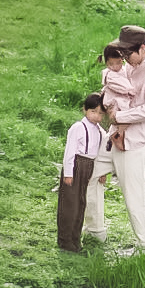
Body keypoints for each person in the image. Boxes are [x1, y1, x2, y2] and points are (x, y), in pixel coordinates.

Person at [101, 24, 145, 248]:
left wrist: (120, 116)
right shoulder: (130, 65)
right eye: (121, 54)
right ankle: (95, 232)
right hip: (114, 134)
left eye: (127, 54)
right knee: (87, 171)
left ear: (142, 48)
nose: (124, 59)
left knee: (134, 197)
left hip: (136, 140)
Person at [57, 92, 108, 253]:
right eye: (93, 111)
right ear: (85, 110)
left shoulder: (100, 131)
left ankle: (75, 238)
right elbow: (70, 151)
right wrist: (68, 172)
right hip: (77, 164)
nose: (96, 116)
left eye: (100, 113)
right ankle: (65, 240)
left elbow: (101, 154)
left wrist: (102, 172)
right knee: (70, 204)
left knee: (81, 203)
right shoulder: (78, 127)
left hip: (90, 166)